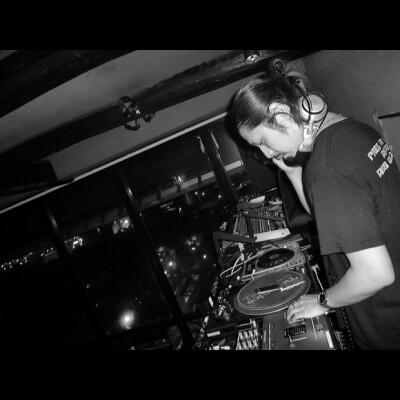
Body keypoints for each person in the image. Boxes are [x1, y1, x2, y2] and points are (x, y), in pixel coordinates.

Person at [231, 66, 400, 350]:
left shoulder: (326, 168)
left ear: (281, 114)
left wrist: (322, 301)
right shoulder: (353, 129)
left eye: (261, 142)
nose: (266, 154)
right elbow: (328, 217)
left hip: (387, 317)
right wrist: (295, 174)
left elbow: (375, 274)